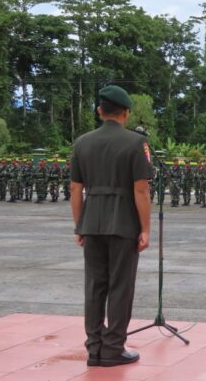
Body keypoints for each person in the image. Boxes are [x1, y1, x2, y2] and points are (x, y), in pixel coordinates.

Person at [70, 85, 153, 368]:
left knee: (94, 286)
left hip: (91, 221)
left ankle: (94, 348)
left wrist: (79, 226)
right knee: (120, 286)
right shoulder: (135, 143)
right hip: (124, 223)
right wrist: (145, 229)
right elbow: (140, 190)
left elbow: (75, 189)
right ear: (126, 113)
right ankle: (114, 347)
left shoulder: (81, 143)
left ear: (99, 111)